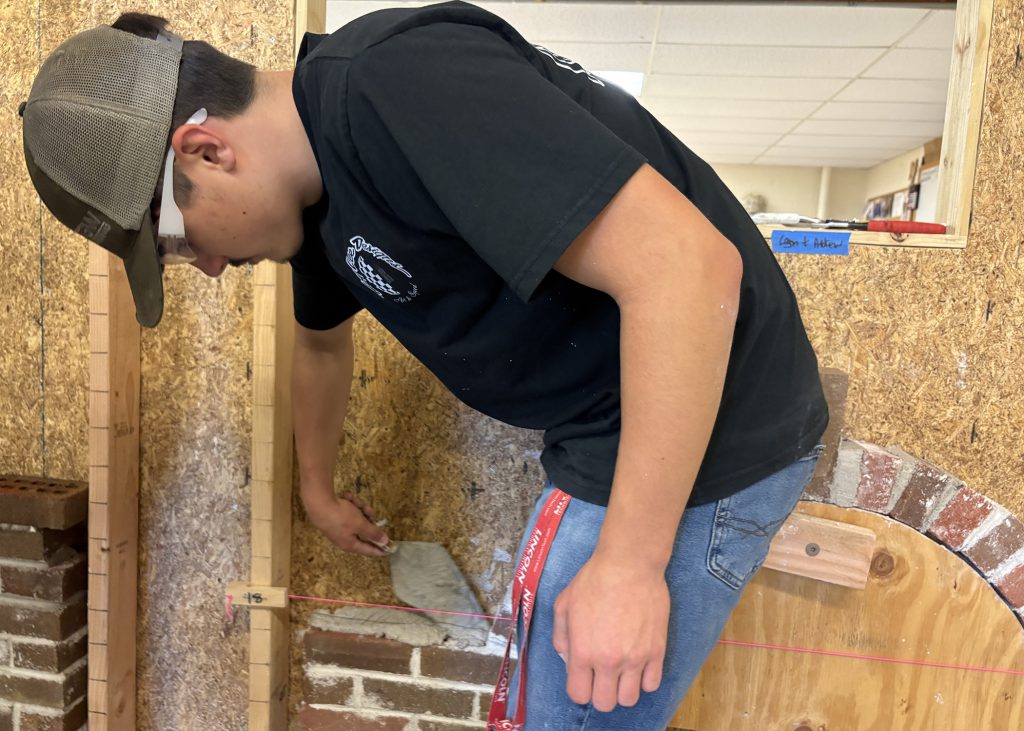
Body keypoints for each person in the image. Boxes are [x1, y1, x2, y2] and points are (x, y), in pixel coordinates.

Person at [19, 2, 828, 728]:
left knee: (582, 690)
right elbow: (322, 342)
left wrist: (630, 565)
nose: (206, 267)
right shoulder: (313, 187)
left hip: (715, 427)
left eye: (178, 243)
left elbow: (688, 268)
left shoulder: (400, 87)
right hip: (599, 432)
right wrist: (315, 487)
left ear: (205, 149)